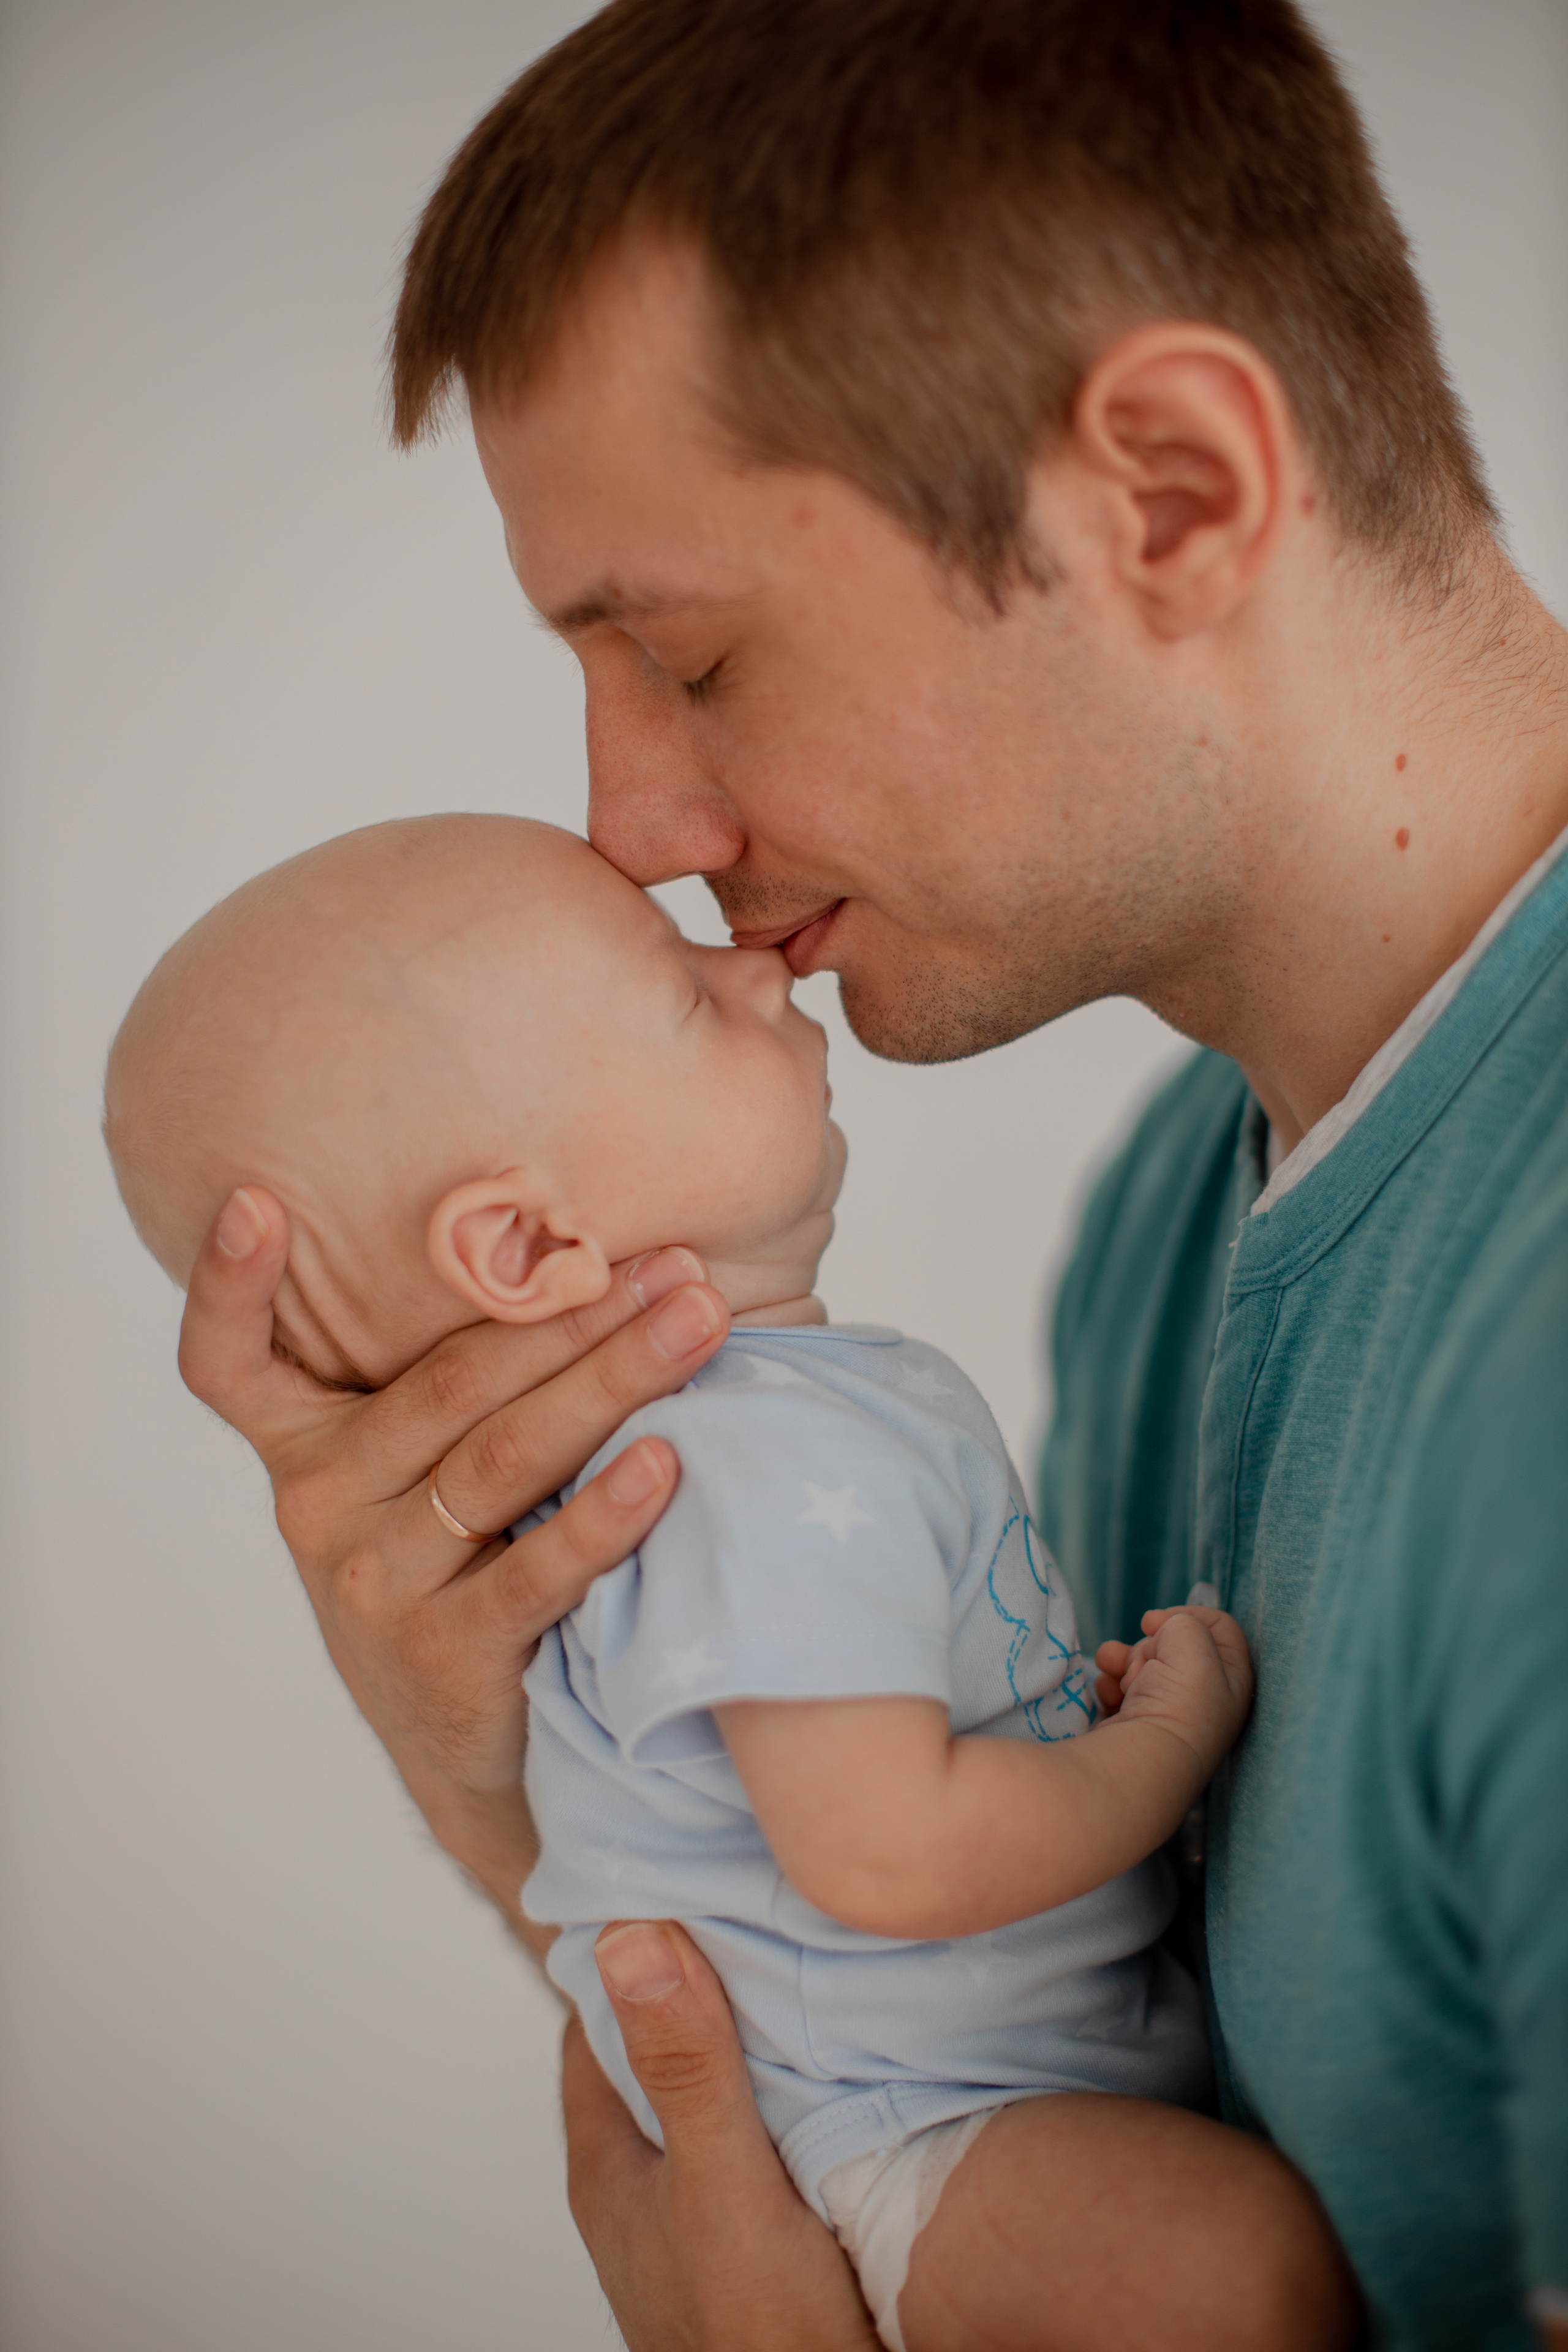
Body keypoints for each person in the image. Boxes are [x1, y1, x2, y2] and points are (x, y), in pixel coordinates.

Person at [170, 1, 1568, 2345]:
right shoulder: (1176, 1221)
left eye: (690, 662)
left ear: (1176, 494)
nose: (630, 828)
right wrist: (499, 1772)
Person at [106, 812, 1355, 2351]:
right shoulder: (738, 1465)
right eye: (685, 992)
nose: (757, 971)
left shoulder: (718, 1449)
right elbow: (886, 1854)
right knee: (1227, 2277)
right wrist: (1158, 1752)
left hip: (956, 2086)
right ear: (524, 1242)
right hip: (921, 2127)